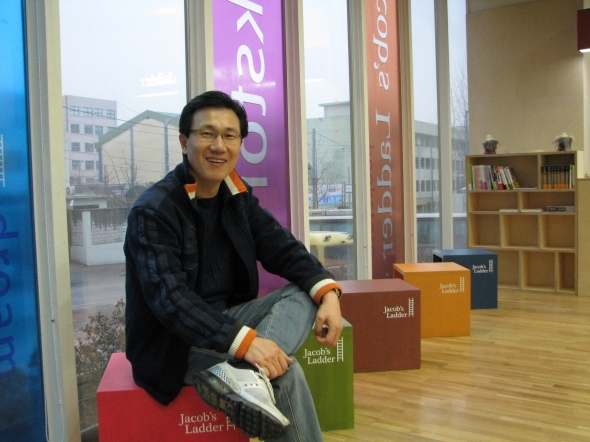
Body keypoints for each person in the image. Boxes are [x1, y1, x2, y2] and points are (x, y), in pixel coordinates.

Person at [124, 90, 343, 441]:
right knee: (285, 373)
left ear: (240, 143)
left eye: (229, 135)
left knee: (305, 293)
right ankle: (249, 372)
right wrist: (245, 344)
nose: (218, 146)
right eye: (207, 134)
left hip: (226, 322)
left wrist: (329, 294)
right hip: (174, 343)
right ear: (184, 141)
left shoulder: (237, 196)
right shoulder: (154, 210)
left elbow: (283, 248)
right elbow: (170, 300)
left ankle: (246, 375)